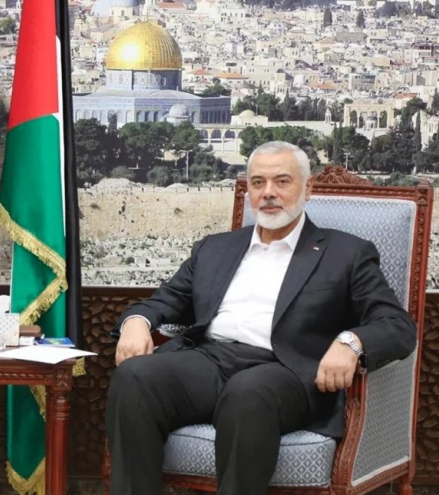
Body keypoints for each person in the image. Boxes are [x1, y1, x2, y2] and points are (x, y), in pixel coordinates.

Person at [106, 141, 417, 495]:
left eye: (282, 181)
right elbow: (165, 301)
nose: (268, 192)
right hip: (211, 360)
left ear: (308, 188)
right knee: (135, 377)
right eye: (258, 182)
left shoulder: (346, 253)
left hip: (288, 371)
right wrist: (137, 322)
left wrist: (351, 343)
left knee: (248, 392)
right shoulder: (215, 248)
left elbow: (397, 326)